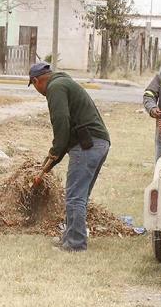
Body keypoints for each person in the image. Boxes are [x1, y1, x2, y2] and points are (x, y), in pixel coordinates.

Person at [29, 62, 110, 252]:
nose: (37, 90)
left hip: (87, 146)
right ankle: (70, 237)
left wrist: (53, 154)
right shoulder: (64, 82)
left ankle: (75, 243)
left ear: (36, 81)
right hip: (98, 143)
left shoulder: (55, 88)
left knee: (75, 196)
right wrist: (47, 167)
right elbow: (65, 137)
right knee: (79, 195)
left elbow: (62, 125)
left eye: (34, 86)